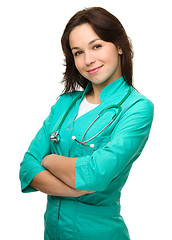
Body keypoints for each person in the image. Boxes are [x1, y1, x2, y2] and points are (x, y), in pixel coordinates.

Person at [19, 7, 154, 240]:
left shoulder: (137, 108)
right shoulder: (65, 103)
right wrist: (74, 189)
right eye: (78, 52)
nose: (88, 59)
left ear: (120, 46)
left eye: (97, 46)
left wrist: (48, 160)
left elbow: (96, 174)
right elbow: (28, 168)